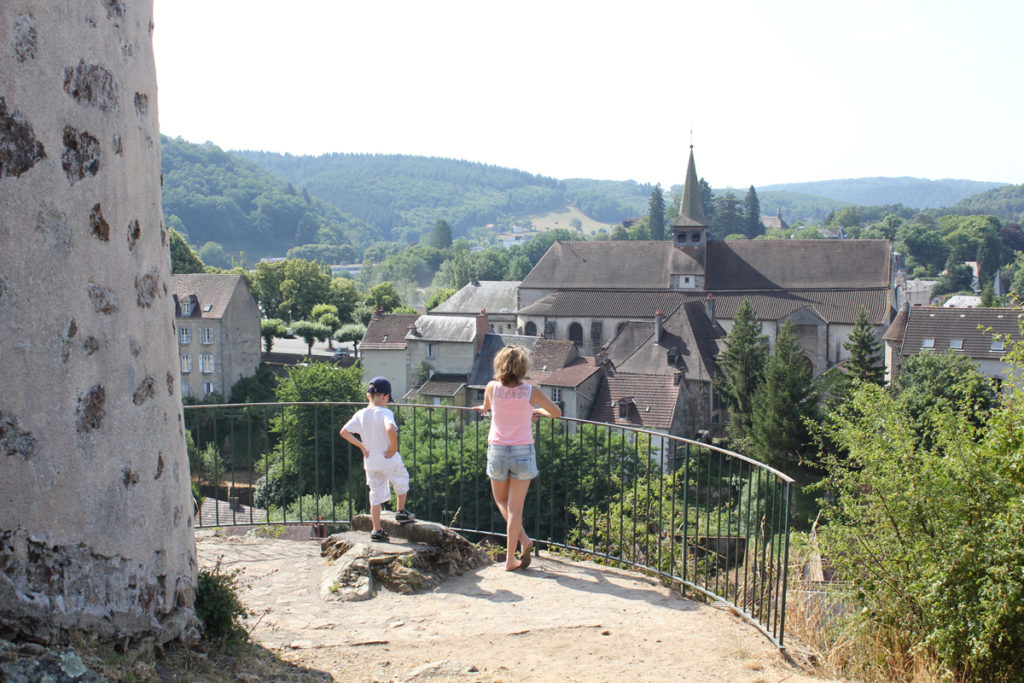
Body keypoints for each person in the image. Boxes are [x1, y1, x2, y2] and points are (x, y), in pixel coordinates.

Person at [475, 345, 561, 570]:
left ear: (499, 365)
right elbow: (557, 412)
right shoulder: (531, 391)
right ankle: (516, 551)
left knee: (501, 501)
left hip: (498, 450)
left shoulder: (492, 387)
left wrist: (484, 407)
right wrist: (537, 412)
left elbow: (486, 407)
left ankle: (519, 549)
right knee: (515, 508)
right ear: (523, 366)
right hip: (523, 450)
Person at [339, 376, 413, 542]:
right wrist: (393, 447)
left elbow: (344, 431)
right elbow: (390, 428)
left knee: (375, 493)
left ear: (368, 396)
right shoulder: (385, 412)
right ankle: (400, 511)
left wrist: (361, 446)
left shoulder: (360, 414)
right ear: (385, 396)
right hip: (388, 457)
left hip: (371, 460)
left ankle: (376, 529)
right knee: (401, 480)